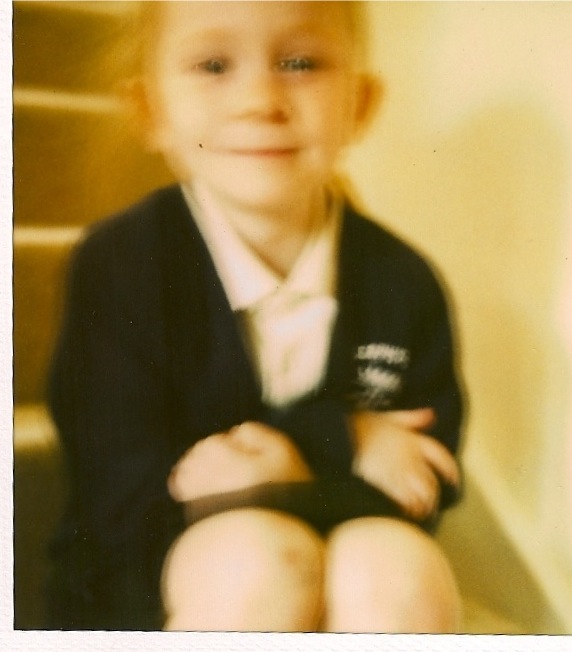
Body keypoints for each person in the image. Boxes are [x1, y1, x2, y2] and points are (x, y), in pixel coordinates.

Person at [47, 1, 464, 633]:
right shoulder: (120, 264)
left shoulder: (404, 282)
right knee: (261, 561)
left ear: (359, 105)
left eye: (301, 63)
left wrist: (291, 462)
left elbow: (424, 481)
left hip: (344, 549)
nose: (259, 100)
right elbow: (119, 498)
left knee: (399, 570)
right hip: (146, 572)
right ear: (150, 111)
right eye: (213, 65)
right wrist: (344, 440)